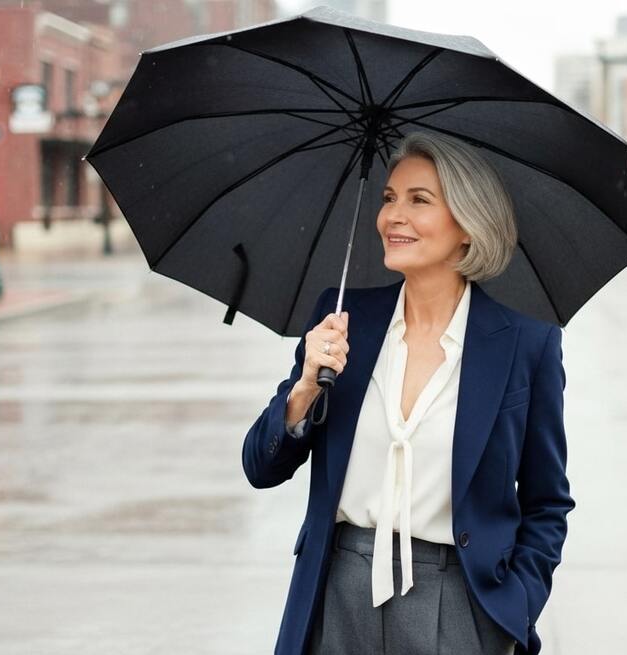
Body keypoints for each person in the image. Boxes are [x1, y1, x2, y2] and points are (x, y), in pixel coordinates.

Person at [243, 130, 574, 655]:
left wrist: (517, 605)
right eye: (389, 199)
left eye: (419, 200)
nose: (393, 215)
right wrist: (305, 387)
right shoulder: (343, 321)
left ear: (468, 225)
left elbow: (547, 501)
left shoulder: (526, 345)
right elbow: (261, 467)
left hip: (460, 601)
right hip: (337, 592)